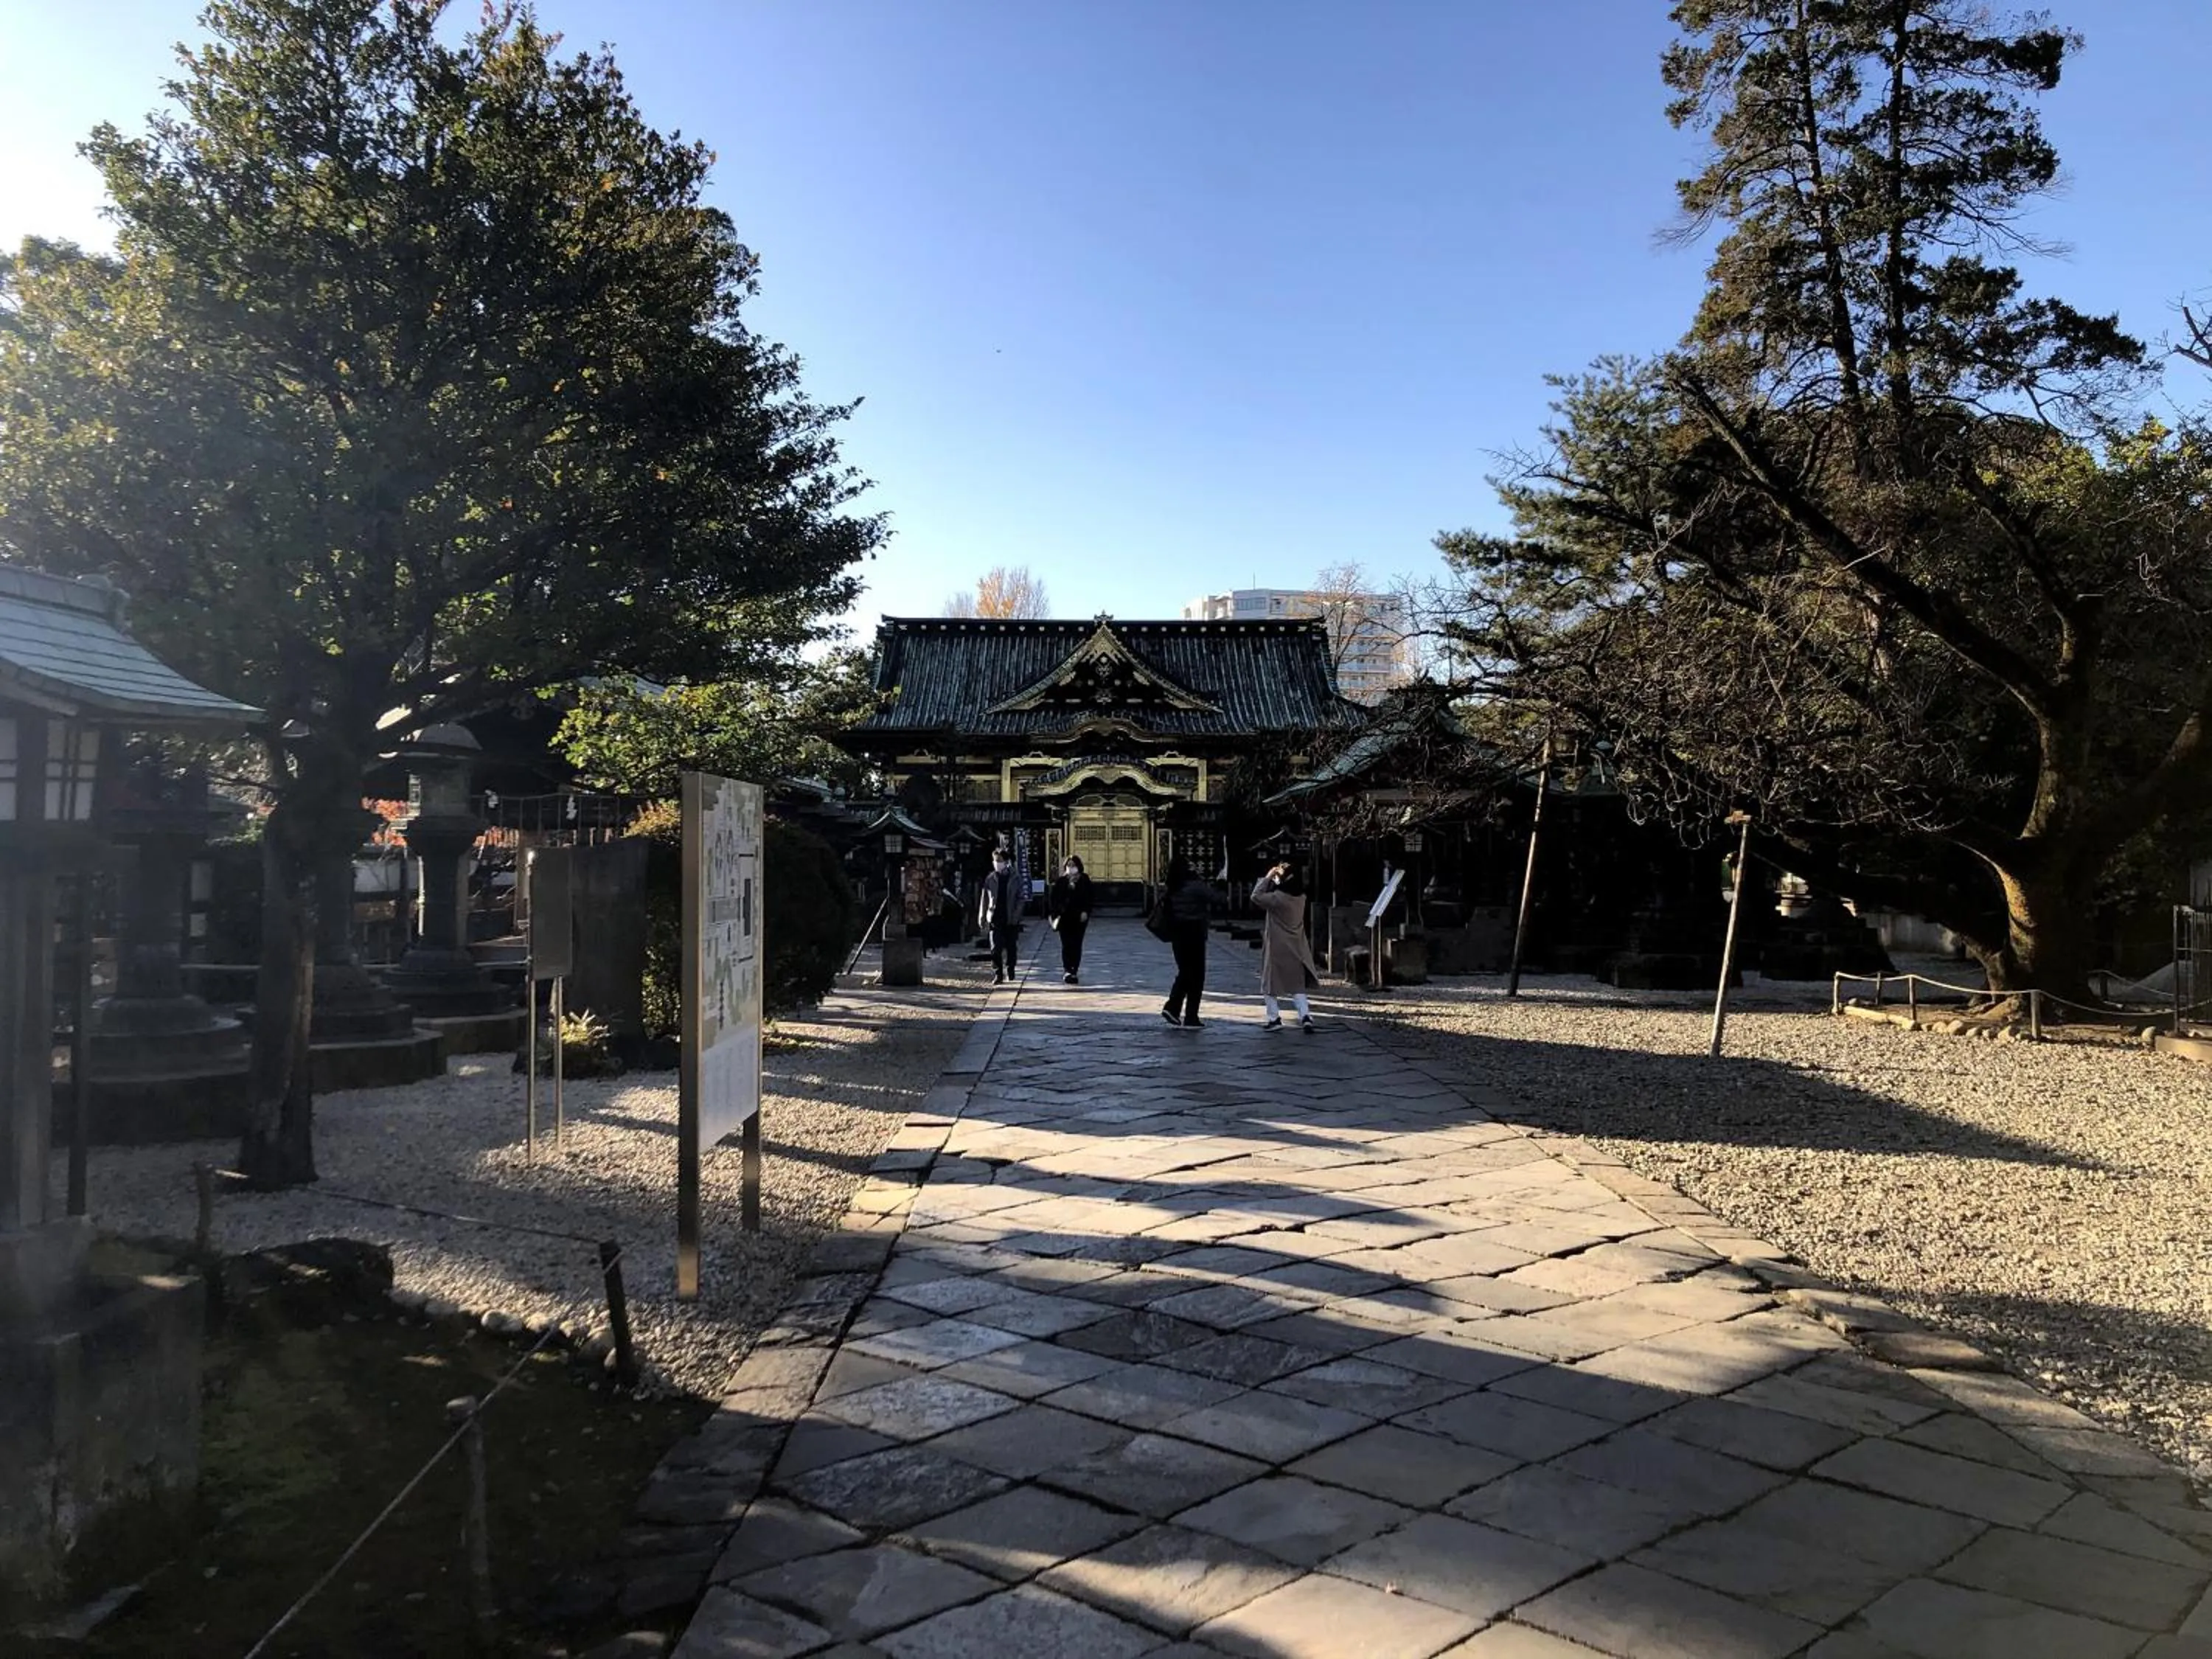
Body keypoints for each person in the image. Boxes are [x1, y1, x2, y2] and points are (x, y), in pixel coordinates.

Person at [1252, 861, 1321, 1032]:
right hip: (1296, 945)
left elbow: (1256, 896)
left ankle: (1274, 1018)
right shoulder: (1301, 898)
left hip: (1277, 946)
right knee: (1297, 985)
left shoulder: (1278, 899)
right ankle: (1305, 1016)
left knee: (1269, 985)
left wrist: (1268, 878)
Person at [1155, 856, 1214, 1028]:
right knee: (1196, 974)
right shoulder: (1194, 885)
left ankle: (1177, 1009)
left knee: (1186, 971)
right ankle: (1184, 1012)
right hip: (1194, 932)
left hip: (1177, 934)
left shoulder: (1173, 887)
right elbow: (1217, 897)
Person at [978, 846, 1023, 984]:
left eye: (999, 860)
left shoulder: (1015, 877)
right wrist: (982, 916)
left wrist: (1016, 915)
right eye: (995, 860)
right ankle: (998, 973)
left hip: (1010, 918)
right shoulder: (990, 878)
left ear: (1006, 861)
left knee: (1011, 947)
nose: (997, 863)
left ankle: (1011, 968)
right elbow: (984, 898)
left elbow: (1020, 898)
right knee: (995, 948)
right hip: (995, 916)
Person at [1047, 855, 1093, 983]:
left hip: (1079, 918)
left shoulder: (1084, 880)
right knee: (1066, 944)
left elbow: (1090, 898)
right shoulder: (1061, 881)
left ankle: (1074, 970)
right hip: (1065, 918)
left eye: (1074, 865)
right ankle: (1067, 969)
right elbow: (1054, 900)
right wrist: (1055, 914)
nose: (1071, 868)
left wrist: (1086, 911)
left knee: (1077, 944)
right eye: (1069, 865)